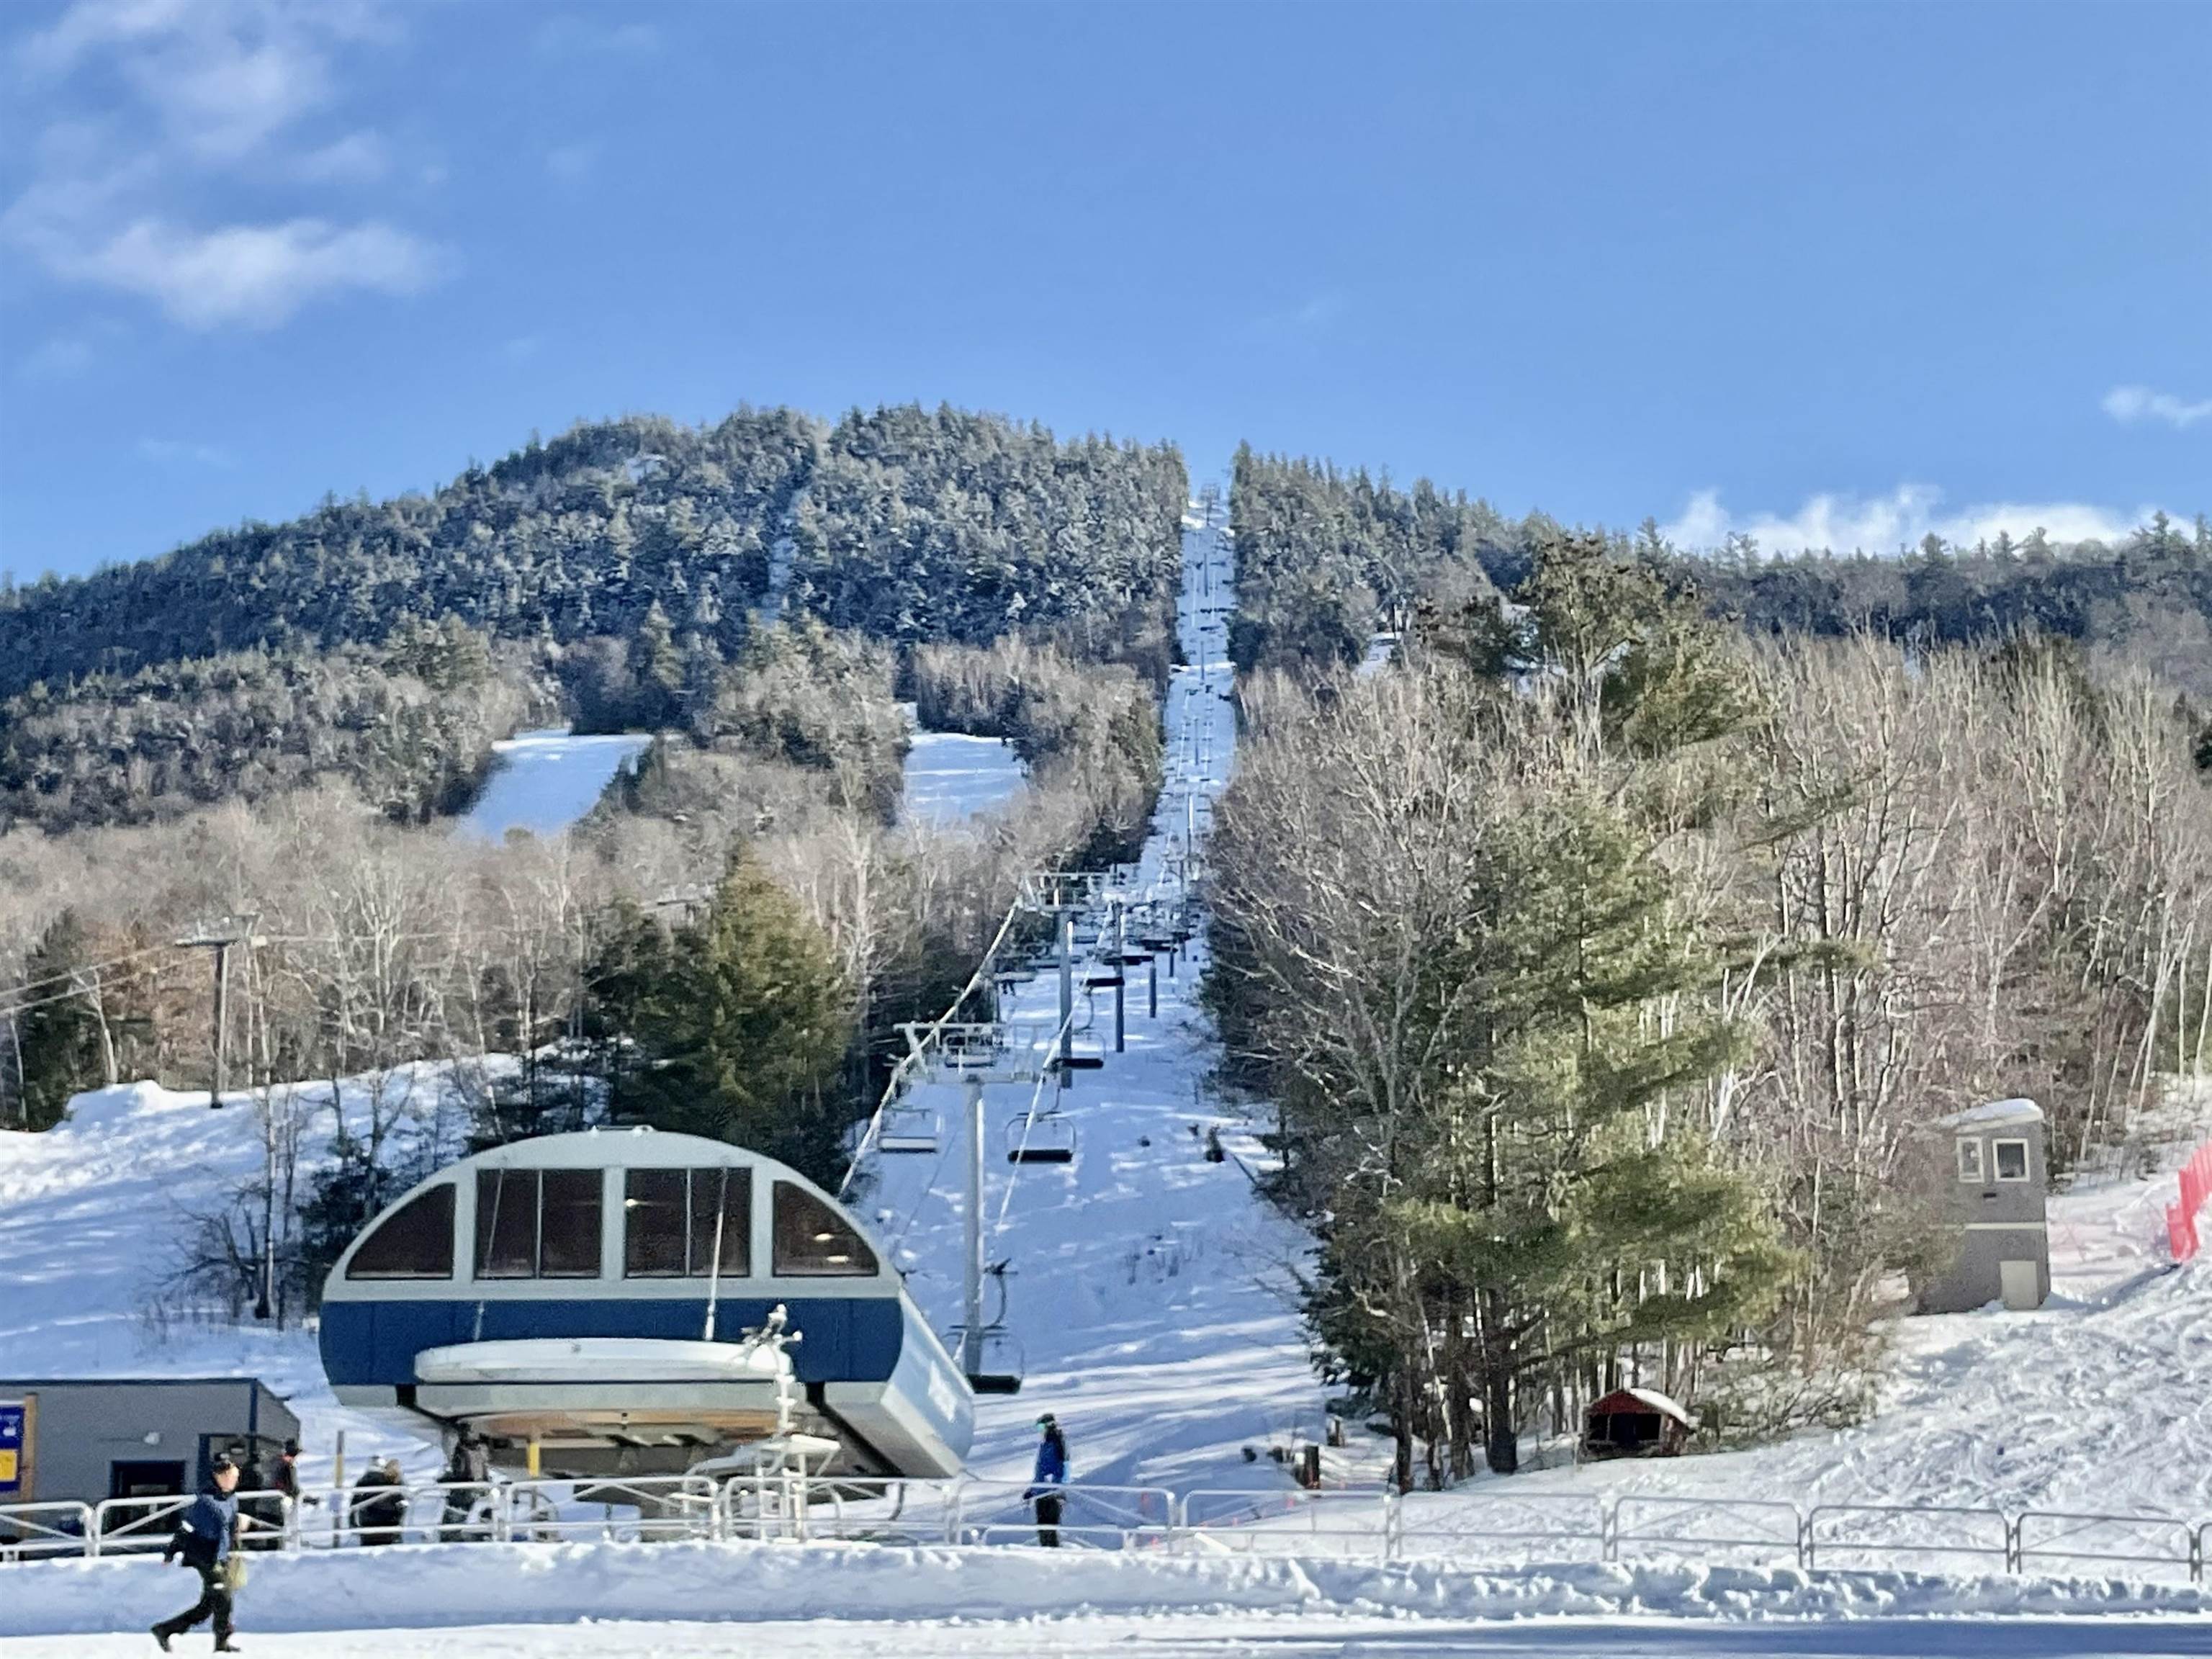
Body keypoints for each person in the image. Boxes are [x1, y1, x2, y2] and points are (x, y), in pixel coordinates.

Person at [151, 1453, 241, 1653]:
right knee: (223, 1597)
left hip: (220, 1556)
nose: (234, 1480)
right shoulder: (205, 1502)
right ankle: (221, 1643)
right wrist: (171, 1551)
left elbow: (229, 1528)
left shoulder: (232, 1499)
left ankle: (165, 1629)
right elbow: (186, 1528)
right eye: (230, 1477)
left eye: (236, 1477)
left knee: (208, 1605)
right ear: (218, 1477)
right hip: (204, 1555)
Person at [439, 1426, 492, 1542]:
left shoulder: (476, 1450)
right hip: (468, 1490)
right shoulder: (463, 1449)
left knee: (480, 1517)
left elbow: (485, 1466)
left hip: (474, 1489)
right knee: (458, 1517)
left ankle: (481, 1539)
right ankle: (452, 1540)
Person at [1025, 1413, 1069, 1547]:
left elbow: (1062, 1468)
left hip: (1050, 1494)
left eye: (1041, 1427)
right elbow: (1041, 1472)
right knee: (1043, 1528)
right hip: (1042, 1492)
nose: (1040, 1431)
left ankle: (1052, 1553)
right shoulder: (1046, 1444)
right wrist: (1033, 1490)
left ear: (1049, 1426)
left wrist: (1056, 1488)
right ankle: (1047, 1550)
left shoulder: (1057, 1442)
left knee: (1048, 1528)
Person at [351, 1457, 406, 1547]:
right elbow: (401, 1504)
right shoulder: (391, 1481)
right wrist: (398, 1523)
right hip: (389, 1527)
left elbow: (354, 1506)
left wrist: (353, 1524)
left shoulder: (362, 1482)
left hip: (367, 1528)